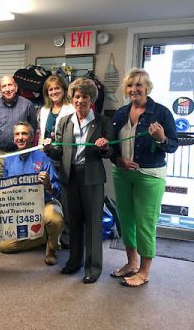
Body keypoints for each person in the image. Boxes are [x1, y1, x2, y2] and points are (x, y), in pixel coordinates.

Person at [110, 68, 178, 287]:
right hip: (122, 175)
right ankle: (131, 263)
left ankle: (144, 271)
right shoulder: (120, 113)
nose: (134, 89)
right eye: (130, 85)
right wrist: (118, 160)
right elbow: (112, 146)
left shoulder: (161, 112)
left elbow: (173, 146)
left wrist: (161, 138)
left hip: (149, 176)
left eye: (139, 85)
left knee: (145, 223)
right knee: (126, 220)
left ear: (147, 87)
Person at [44, 78, 113, 284]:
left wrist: (103, 147)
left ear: (91, 99)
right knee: (73, 222)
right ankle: (74, 261)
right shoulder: (64, 121)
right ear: (71, 98)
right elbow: (58, 152)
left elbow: (110, 151)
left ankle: (93, 267)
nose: (80, 100)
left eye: (85, 96)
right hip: (69, 176)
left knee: (92, 223)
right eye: (76, 96)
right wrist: (48, 148)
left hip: (91, 178)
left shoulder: (103, 122)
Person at [2, 122, 64, 265]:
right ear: (13, 139)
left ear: (31, 138)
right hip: (21, 208)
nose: (20, 137)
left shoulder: (42, 158)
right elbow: (4, 188)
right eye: (17, 134)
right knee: (5, 246)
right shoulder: (9, 160)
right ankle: (44, 237)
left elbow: (58, 189)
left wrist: (48, 184)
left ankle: (52, 249)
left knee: (55, 219)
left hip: (44, 203)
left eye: (24, 134)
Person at [37, 75, 75, 247]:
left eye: (57, 88)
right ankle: (49, 236)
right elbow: (41, 134)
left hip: (65, 159)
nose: (54, 92)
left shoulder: (71, 108)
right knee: (48, 195)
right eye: (50, 89)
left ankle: (66, 238)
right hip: (47, 158)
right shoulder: (44, 110)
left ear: (64, 89)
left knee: (66, 199)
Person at [0, 76, 37, 178]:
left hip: (20, 153)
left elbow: (32, 129)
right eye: (4, 86)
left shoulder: (27, 105)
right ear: (0, 90)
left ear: (16, 87)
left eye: (10, 85)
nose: (7, 89)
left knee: (19, 185)